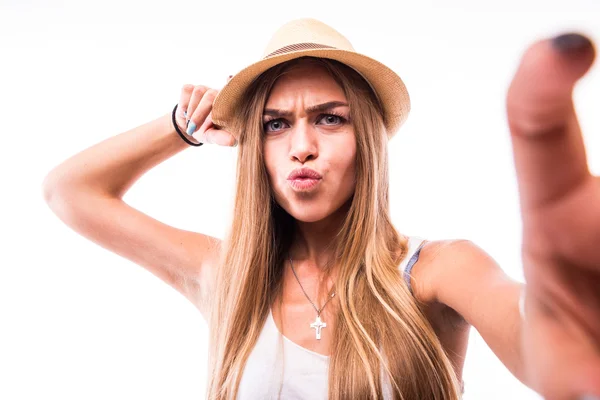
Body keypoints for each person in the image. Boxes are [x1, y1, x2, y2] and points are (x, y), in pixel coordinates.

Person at [42, 18, 599, 400]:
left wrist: (570, 316)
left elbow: (541, 348)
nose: (301, 145)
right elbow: (70, 191)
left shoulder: (435, 271)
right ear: (252, 145)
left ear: (369, 142)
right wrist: (181, 128)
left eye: (330, 118)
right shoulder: (227, 276)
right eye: (275, 124)